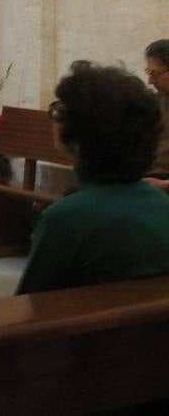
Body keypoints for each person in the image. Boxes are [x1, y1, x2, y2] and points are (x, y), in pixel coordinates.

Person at [17, 61, 169, 294]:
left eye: (59, 111)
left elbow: (30, 302)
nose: (54, 117)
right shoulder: (160, 201)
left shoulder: (65, 218)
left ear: (79, 141)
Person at [144, 39, 169, 189]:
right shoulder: (157, 101)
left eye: (156, 74)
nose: (150, 81)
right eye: (148, 72)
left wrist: (163, 185)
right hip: (148, 177)